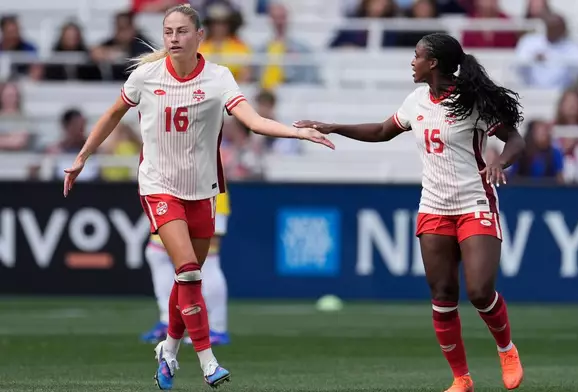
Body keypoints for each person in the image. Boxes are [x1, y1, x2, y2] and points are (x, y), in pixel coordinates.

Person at [62, 4, 333, 390]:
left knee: (187, 279)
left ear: (199, 36)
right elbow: (112, 114)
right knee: (188, 270)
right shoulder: (146, 75)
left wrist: (297, 132)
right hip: (158, 186)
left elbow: (253, 122)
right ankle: (208, 361)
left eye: (181, 31)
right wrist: (82, 157)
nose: (173, 38)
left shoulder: (219, 78)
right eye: (168, 31)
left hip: (202, 191)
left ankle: (168, 351)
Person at [294, 32, 525, 392]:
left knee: (480, 291)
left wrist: (502, 162)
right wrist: (333, 126)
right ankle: (461, 379)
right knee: (443, 295)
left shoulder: (471, 102)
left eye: (417, 56)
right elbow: (383, 131)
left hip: (474, 203)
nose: (411, 62)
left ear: (432, 63)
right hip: (433, 207)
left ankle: (506, 349)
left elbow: (515, 138)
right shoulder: (417, 100)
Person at [141, 190, 231, 346]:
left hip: (206, 189)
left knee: (207, 258)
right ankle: (169, 321)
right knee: (156, 252)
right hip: (176, 191)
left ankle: (217, 328)